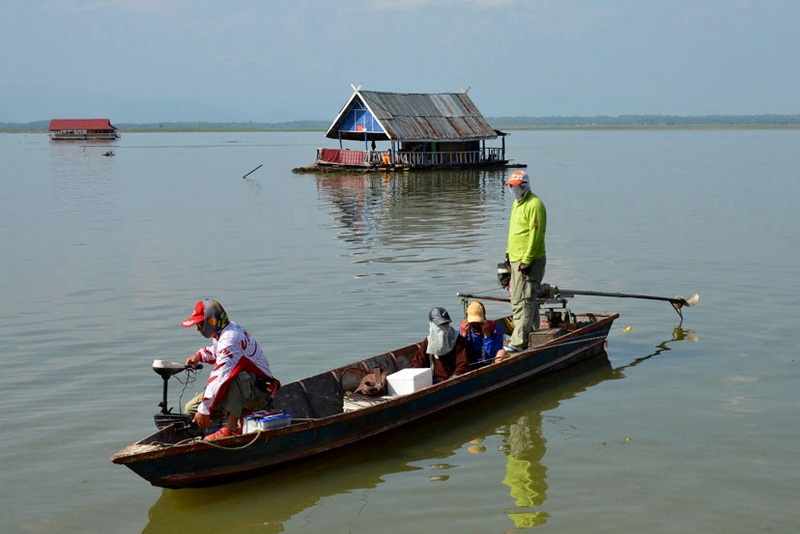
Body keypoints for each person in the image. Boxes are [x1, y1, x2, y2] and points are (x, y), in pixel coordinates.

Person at [181, 299, 279, 440]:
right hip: (246, 391)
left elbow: (219, 376)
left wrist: (204, 410)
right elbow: (217, 351)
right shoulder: (224, 332)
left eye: (201, 324)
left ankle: (230, 428)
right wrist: (199, 356)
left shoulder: (230, 338)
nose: (199, 329)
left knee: (233, 376)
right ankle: (229, 420)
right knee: (190, 409)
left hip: (262, 392)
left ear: (212, 320)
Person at [504, 170, 547, 353]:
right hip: (515, 258)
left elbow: (536, 235)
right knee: (521, 298)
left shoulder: (534, 204)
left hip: (528, 260)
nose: (513, 190)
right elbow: (515, 232)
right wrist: (508, 254)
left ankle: (519, 341)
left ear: (524, 186)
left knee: (523, 300)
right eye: (511, 187)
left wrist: (527, 260)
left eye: (515, 187)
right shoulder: (517, 204)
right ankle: (533, 333)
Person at [410, 307, 470, 382]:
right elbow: (417, 363)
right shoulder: (428, 342)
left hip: (453, 380)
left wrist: (453, 379)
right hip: (433, 381)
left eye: (446, 324)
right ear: (432, 325)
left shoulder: (458, 339)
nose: (444, 328)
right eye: (440, 325)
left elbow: (463, 364)